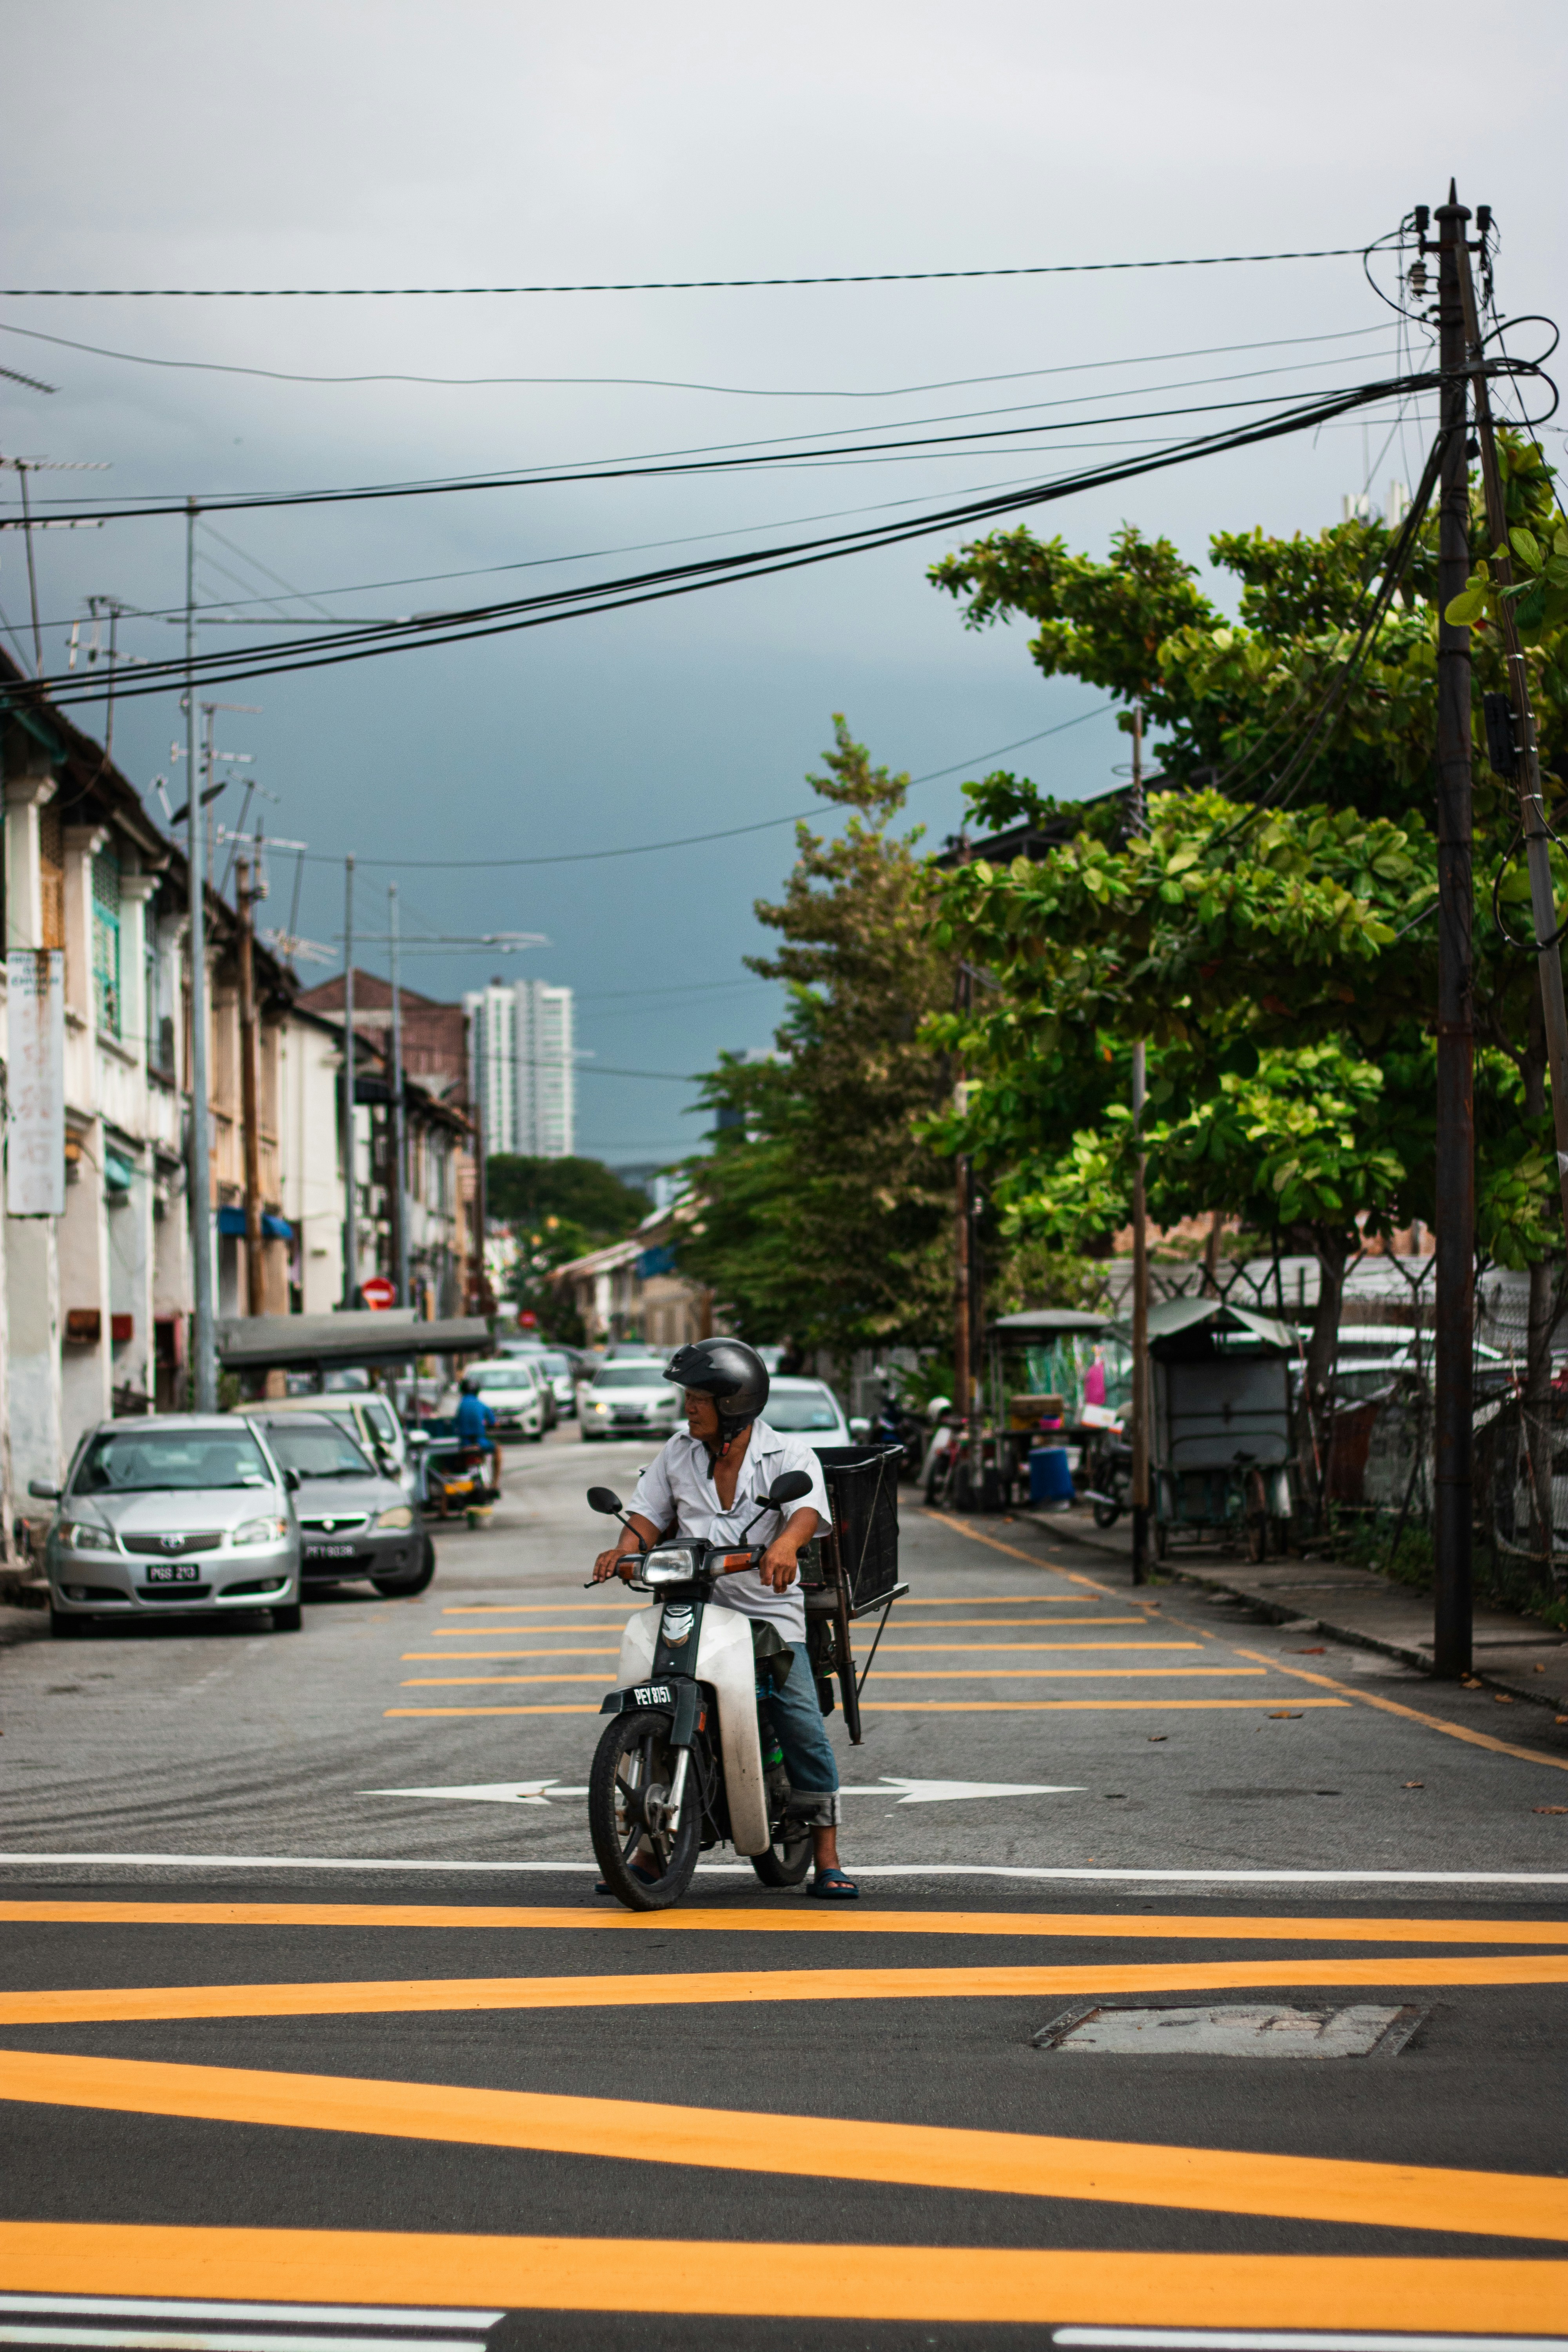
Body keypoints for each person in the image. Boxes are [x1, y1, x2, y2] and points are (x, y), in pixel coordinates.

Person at [592, 1336, 857, 1900]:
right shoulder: (677, 1453)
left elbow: (806, 1512)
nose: (689, 1406)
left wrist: (785, 1545)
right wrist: (623, 1549)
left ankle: (828, 1857)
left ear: (733, 1405)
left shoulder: (787, 1456)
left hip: (767, 1618)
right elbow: (646, 1514)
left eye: (699, 1398)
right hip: (692, 1608)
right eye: (688, 1396)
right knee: (656, 1702)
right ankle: (647, 1850)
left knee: (799, 1719)